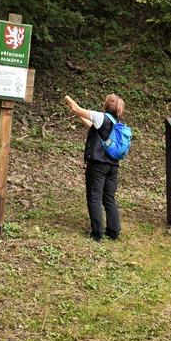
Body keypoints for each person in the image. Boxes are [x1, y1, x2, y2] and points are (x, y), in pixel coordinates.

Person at [64, 93, 124, 242]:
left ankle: (97, 234)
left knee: (95, 197)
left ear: (107, 105)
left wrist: (66, 98)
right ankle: (114, 231)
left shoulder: (100, 117)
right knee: (109, 198)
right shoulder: (116, 123)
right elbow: (94, 128)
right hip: (113, 166)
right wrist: (78, 114)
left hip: (98, 164)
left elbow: (76, 108)